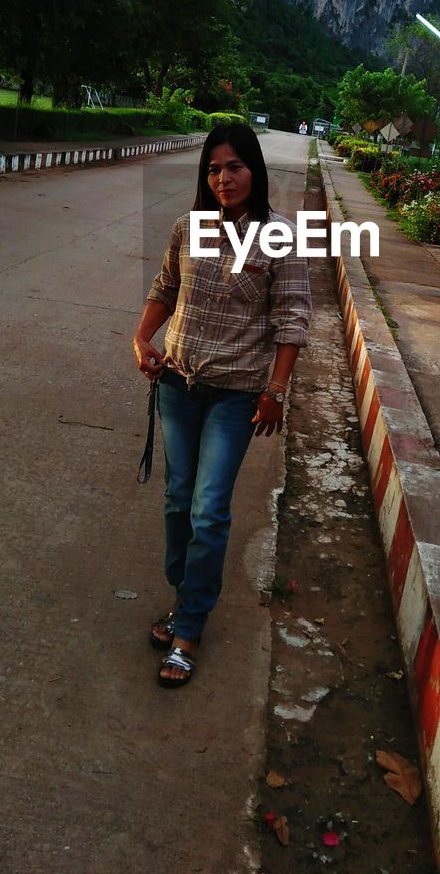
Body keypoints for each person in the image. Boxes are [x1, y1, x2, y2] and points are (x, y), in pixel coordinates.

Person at [132, 124, 312, 689]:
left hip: (236, 397)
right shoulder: (187, 227)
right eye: (213, 168)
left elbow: (293, 317)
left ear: (253, 171)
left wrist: (276, 391)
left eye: (233, 166)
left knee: (209, 509)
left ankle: (188, 629)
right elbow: (165, 288)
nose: (223, 178)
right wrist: (141, 340)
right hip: (178, 387)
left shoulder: (281, 235)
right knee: (177, 501)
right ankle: (183, 596)